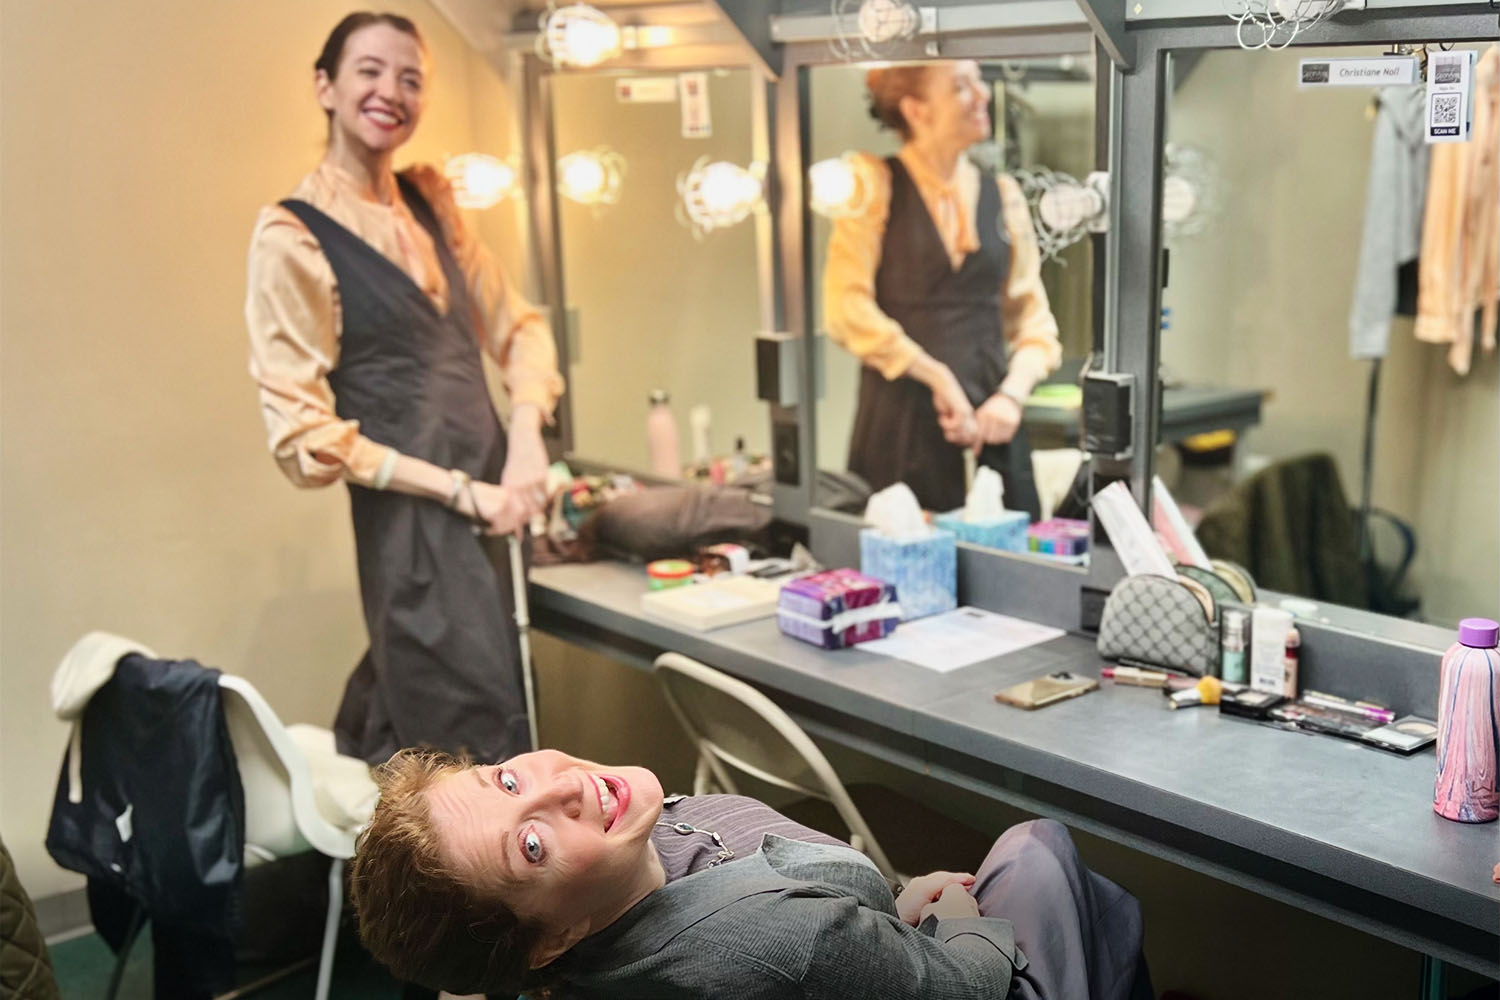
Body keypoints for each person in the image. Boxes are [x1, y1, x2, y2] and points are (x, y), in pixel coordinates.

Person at [244, 12, 563, 766]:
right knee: (475, 752)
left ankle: (380, 873)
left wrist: (524, 442)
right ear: (325, 86)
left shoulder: (430, 206)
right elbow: (301, 434)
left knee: (495, 709)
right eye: (369, 71)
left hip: (498, 504)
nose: (392, 91)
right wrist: (460, 491)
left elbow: (521, 328)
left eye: (411, 77)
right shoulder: (293, 238)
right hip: (415, 535)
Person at [350, 748, 1152, 999]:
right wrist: (961, 922)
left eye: (505, 779)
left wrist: (887, 909)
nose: (564, 785)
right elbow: (957, 985)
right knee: (1039, 850)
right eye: (531, 847)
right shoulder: (774, 942)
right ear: (549, 939)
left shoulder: (615, 912)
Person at [823, 60, 1063, 519]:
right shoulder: (872, 184)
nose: (983, 95)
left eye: (978, 81)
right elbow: (844, 308)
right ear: (917, 110)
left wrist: (1010, 397)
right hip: (898, 432)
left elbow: (1034, 322)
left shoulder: (1004, 193)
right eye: (960, 86)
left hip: (995, 430)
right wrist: (938, 377)